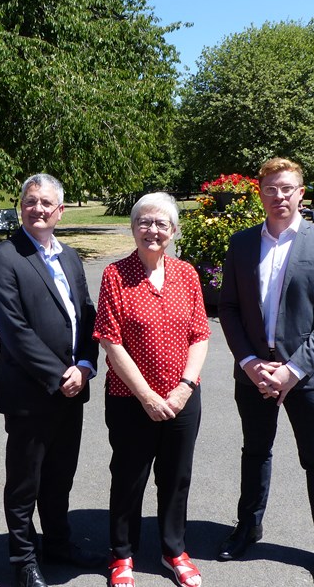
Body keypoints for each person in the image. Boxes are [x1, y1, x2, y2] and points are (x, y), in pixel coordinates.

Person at [217, 157, 314, 587]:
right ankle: (248, 527)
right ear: (260, 193)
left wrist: (292, 371)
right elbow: (230, 308)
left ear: (301, 193)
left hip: (305, 377)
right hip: (253, 373)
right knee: (255, 452)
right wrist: (250, 362)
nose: (280, 196)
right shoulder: (240, 245)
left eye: (287, 188)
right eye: (271, 188)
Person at [0, 174, 102, 587]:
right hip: (31, 394)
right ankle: (23, 558)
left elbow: (87, 316)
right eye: (30, 201)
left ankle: (58, 544)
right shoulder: (3, 256)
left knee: (60, 476)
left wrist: (85, 366)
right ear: (21, 206)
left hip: (73, 389)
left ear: (60, 211)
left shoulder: (69, 256)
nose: (37, 209)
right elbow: (13, 330)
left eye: (46, 203)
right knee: (25, 481)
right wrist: (58, 376)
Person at [93, 193, 210, 587]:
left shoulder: (187, 274)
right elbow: (110, 342)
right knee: (129, 475)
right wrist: (147, 396)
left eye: (161, 223)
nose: (152, 230)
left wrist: (183, 389)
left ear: (173, 231)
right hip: (131, 401)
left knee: (176, 477)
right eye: (144, 222)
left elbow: (200, 335)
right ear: (132, 227)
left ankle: (174, 549)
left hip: (182, 399)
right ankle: (122, 554)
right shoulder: (115, 274)